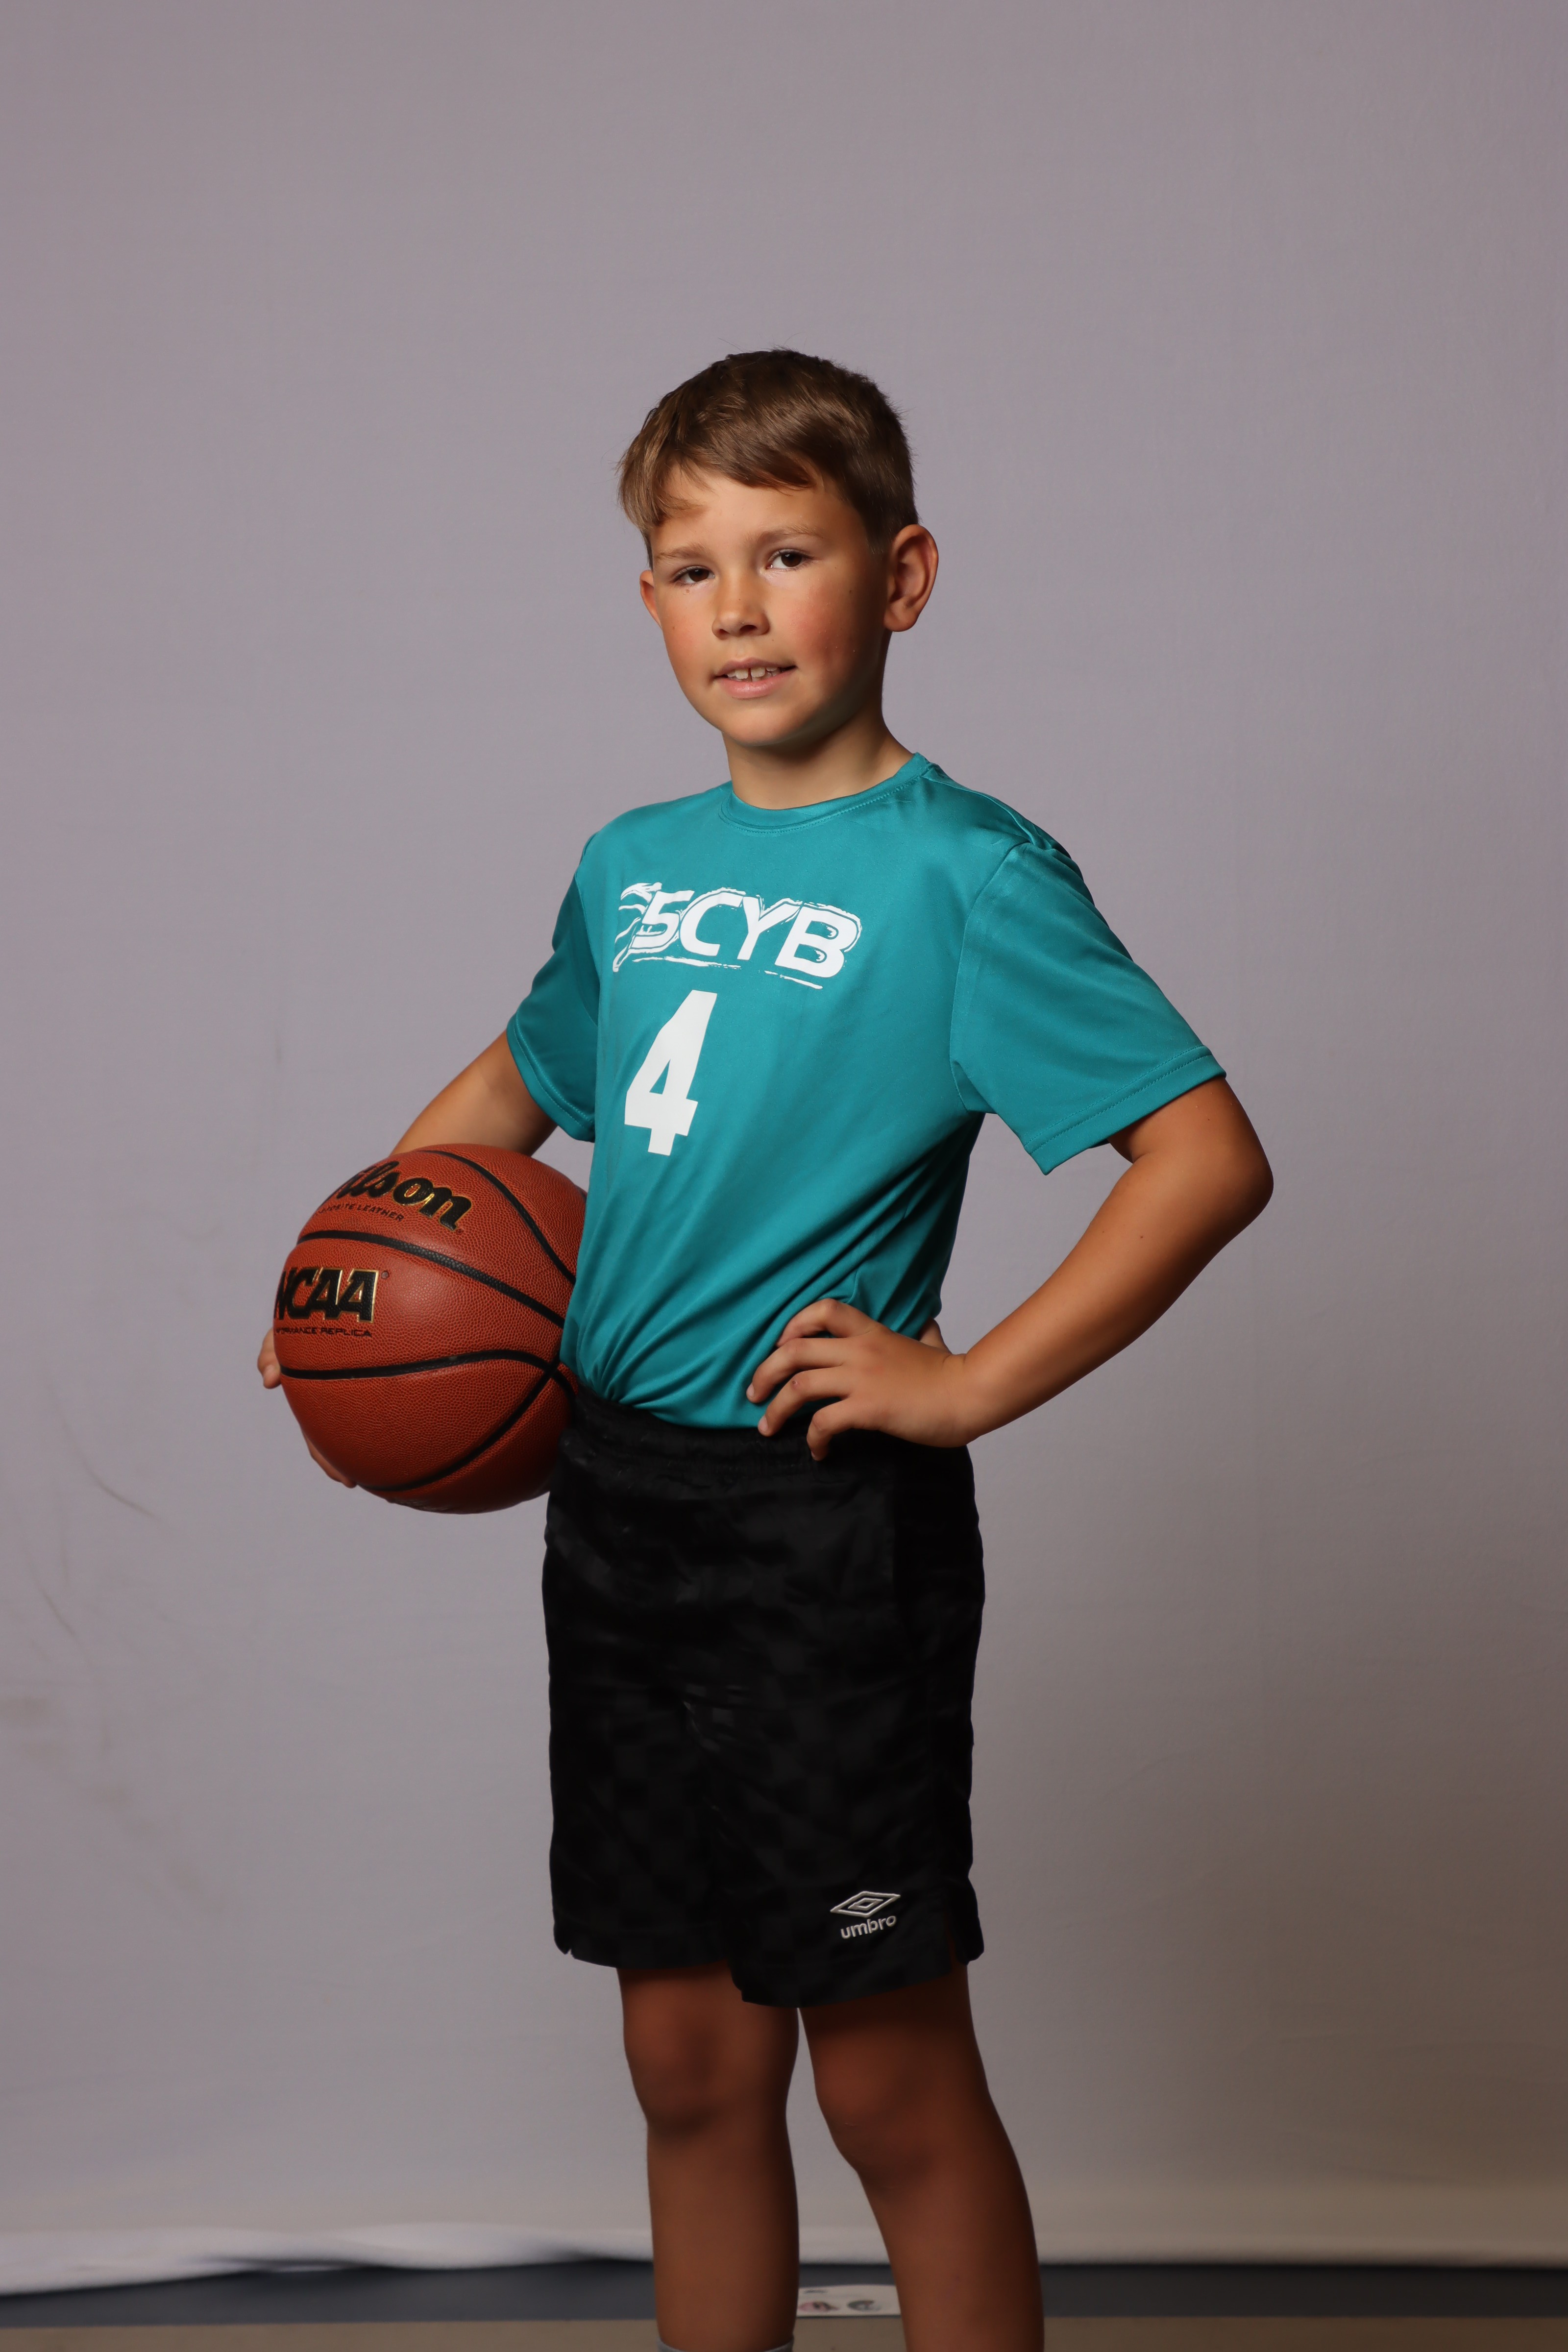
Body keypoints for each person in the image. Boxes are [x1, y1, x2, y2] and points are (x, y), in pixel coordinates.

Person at [259, 349, 1272, 2352]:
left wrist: (964, 1384)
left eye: (786, 554)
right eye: (690, 565)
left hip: (821, 1530)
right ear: (645, 599)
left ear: (900, 577)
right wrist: (351, 1294)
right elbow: (507, 1099)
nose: (736, 606)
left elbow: (1205, 1159)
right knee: (689, 2066)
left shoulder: (968, 873)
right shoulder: (628, 865)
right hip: (616, 1502)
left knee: (884, 2079)